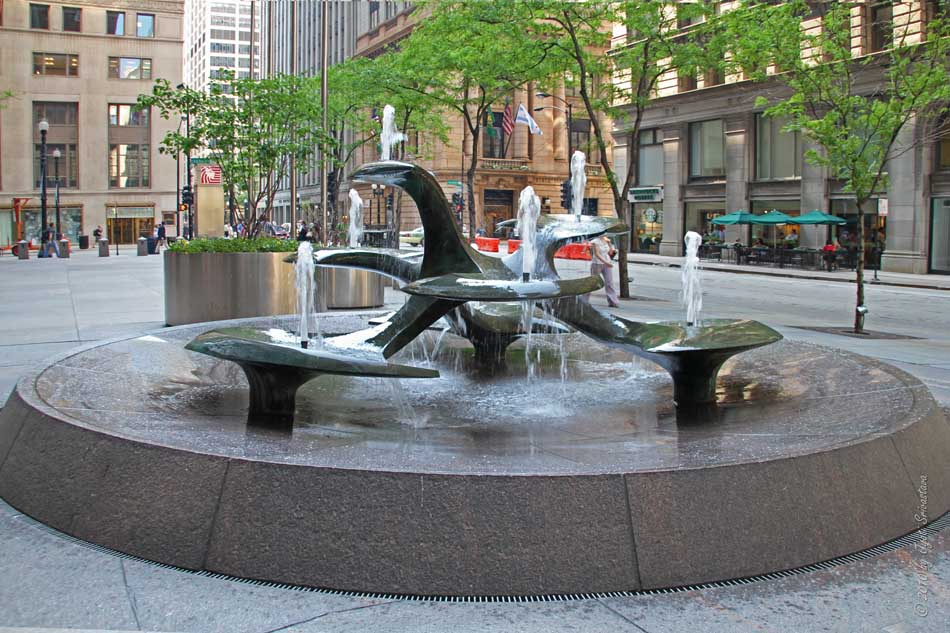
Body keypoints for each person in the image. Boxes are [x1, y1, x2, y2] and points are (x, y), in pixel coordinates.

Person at [589, 234, 619, 308]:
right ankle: (583, 299)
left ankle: (613, 302)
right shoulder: (594, 241)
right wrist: (606, 262)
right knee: (592, 283)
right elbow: (596, 254)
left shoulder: (606, 240)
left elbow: (610, 253)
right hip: (597, 264)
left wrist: (609, 243)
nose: (606, 234)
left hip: (607, 263)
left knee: (609, 282)